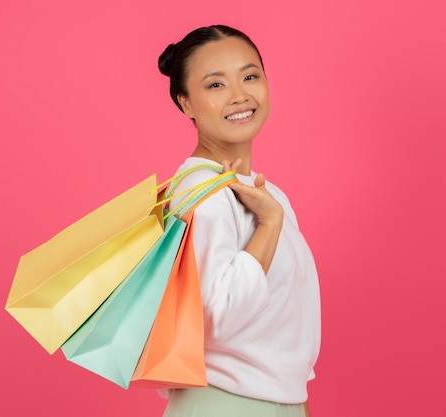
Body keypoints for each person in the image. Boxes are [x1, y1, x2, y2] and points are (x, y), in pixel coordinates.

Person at [158, 25, 321, 417]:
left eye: (250, 76)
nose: (239, 95)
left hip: (275, 404)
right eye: (216, 85)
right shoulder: (203, 192)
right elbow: (217, 319)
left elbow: (287, 327)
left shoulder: (268, 194)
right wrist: (267, 225)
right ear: (186, 104)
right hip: (227, 404)